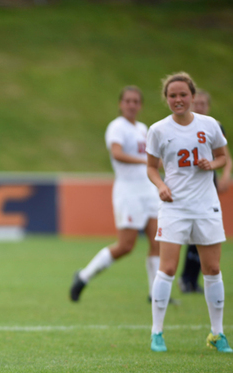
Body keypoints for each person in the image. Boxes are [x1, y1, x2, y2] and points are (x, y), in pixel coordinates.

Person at [145, 72, 231, 353]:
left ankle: (217, 334)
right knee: (167, 268)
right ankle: (156, 333)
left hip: (206, 206)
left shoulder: (209, 125)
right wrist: (160, 185)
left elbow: (223, 156)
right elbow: (151, 167)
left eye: (183, 94)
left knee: (213, 269)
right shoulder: (158, 129)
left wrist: (212, 164)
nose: (178, 99)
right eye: (172, 95)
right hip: (174, 207)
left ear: (193, 97)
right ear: (166, 99)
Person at [70, 86, 161, 302]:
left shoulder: (143, 128)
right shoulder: (116, 127)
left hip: (148, 189)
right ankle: (84, 276)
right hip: (128, 191)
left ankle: (155, 295)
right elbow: (117, 153)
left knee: (158, 241)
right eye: (128, 101)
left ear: (140, 105)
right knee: (126, 246)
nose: (131, 105)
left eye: (135, 101)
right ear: (121, 104)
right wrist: (147, 161)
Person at [179, 89, 233, 294]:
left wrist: (225, 175)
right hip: (188, 185)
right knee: (191, 233)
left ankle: (192, 280)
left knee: (204, 233)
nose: (200, 106)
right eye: (197, 103)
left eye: (203, 103)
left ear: (208, 106)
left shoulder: (213, 126)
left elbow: (225, 156)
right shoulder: (184, 125)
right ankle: (186, 278)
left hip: (207, 183)